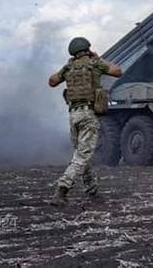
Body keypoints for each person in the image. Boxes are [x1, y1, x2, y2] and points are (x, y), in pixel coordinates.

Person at [48, 37, 122, 206]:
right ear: (87, 49)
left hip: (73, 115)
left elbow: (52, 82)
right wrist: (98, 59)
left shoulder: (68, 67)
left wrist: (66, 68)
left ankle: (92, 192)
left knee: (82, 155)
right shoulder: (95, 64)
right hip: (88, 115)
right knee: (82, 156)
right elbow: (118, 71)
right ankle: (62, 189)